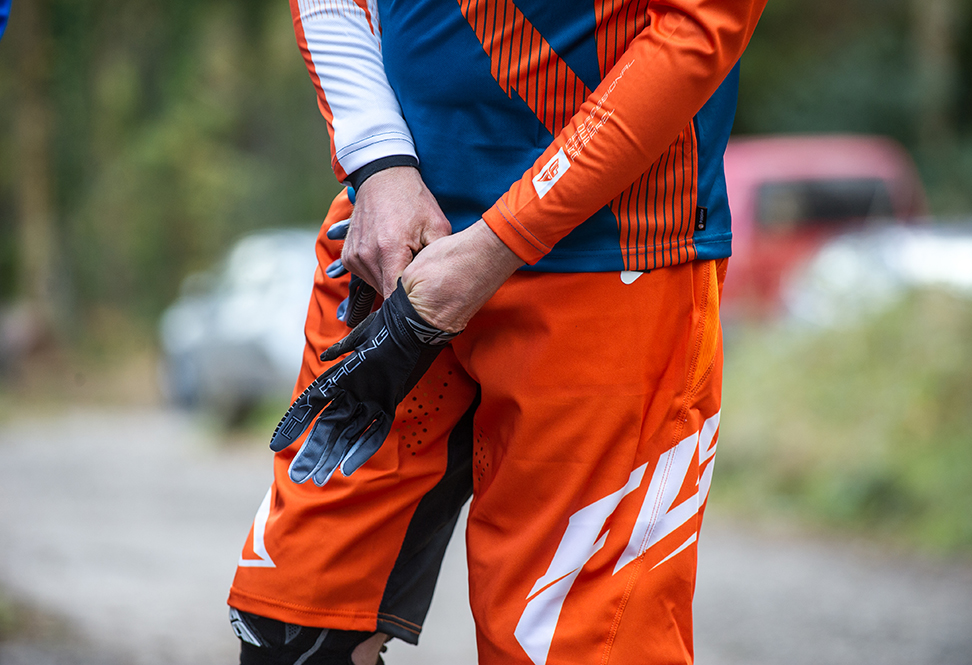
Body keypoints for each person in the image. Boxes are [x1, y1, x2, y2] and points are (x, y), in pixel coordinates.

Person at [228, 0, 767, 663]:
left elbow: (698, 27)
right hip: (394, 237)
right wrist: (379, 161)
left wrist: (502, 241)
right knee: (294, 629)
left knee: (566, 647)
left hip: (612, 258)